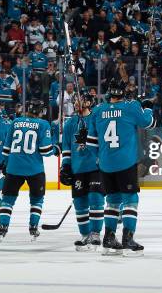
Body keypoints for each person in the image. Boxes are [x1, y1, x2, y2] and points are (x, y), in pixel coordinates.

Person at [86, 78, 154, 256]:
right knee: (131, 200)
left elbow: (91, 141)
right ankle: (127, 238)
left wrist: (98, 159)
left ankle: (108, 238)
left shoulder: (98, 110)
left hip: (106, 164)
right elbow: (148, 123)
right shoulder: (131, 107)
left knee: (113, 201)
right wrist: (146, 107)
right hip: (126, 162)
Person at [0, 100, 54, 241]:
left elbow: (6, 147)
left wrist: (5, 163)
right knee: (36, 200)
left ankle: (3, 227)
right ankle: (33, 227)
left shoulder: (15, 122)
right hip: (34, 169)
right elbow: (45, 151)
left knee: (7, 200)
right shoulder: (43, 124)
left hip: (14, 167)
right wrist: (56, 148)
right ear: (40, 111)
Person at [60, 93, 105, 251]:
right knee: (80, 204)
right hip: (77, 168)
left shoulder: (96, 120)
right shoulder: (70, 123)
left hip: (95, 166)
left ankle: (95, 233)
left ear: (89, 102)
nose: (77, 103)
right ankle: (85, 234)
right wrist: (65, 166)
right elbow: (66, 147)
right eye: (75, 101)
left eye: (80, 100)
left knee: (95, 198)